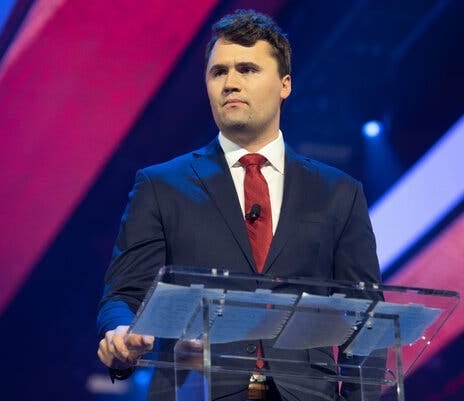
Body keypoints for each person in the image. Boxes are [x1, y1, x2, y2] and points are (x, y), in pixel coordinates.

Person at [97, 9, 382, 401]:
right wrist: (121, 334)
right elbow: (123, 296)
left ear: (284, 85)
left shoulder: (339, 192)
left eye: (247, 69)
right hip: (195, 389)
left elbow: (368, 316)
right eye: (219, 72)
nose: (230, 83)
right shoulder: (161, 186)